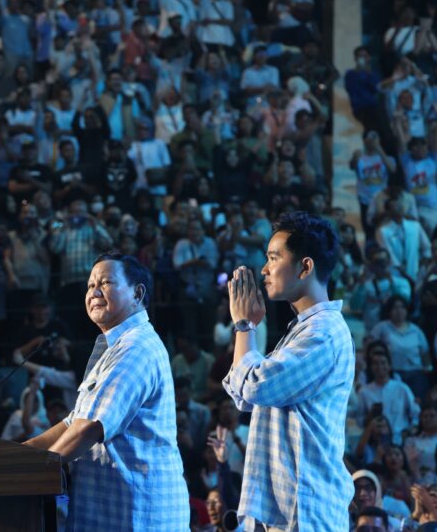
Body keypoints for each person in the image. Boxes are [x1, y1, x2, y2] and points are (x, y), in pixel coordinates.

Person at [24, 251, 189, 530]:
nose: (95, 292)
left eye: (106, 283)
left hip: (139, 516)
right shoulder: (115, 348)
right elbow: (71, 423)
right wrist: (16, 455)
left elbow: (88, 428)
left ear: (137, 293)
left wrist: (36, 472)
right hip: (114, 514)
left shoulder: (137, 347)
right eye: (90, 285)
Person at [222, 211, 355, 530]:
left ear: (305, 266)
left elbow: (253, 386)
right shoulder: (301, 330)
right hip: (282, 506)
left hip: (305, 507)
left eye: (273, 258)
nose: (265, 269)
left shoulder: (323, 333)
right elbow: (241, 394)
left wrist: (243, 326)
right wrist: (249, 328)